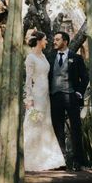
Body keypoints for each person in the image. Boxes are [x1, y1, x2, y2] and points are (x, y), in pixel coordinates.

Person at [23, 30, 66, 171]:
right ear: (39, 40)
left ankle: (46, 159)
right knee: (34, 123)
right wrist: (28, 99)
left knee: (45, 124)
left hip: (45, 96)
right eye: (45, 39)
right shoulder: (30, 58)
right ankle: (30, 160)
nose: (47, 41)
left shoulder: (43, 56)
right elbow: (28, 80)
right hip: (36, 96)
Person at [48, 31, 90, 170]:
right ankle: (61, 162)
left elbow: (85, 77)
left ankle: (79, 162)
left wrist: (78, 92)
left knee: (76, 129)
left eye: (57, 39)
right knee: (57, 129)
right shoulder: (50, 57)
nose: (54, 42)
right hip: (54, 97)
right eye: (54, 39)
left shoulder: (76, 58)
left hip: (71, 96)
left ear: (65, 41)